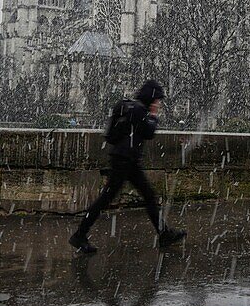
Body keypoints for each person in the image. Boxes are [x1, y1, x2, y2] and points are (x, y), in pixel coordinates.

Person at [69, 79, 186, 254]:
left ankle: (164, 232)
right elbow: (149, 132)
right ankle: (79, 235)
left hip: (123, 158)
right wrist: (154, 116)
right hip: (126, 160)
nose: (158, 104)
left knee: (144, 196)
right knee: (110, 199)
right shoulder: (140, 111)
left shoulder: (129, 107)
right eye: (157, 100)